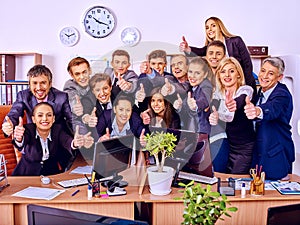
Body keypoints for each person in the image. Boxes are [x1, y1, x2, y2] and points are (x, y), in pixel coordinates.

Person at [179, 16, 257, 97]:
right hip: (224, 84)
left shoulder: (235, 41)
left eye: (213, 25)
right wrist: (187, 48)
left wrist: (245, 85)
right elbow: (200, 51)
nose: (209, 29)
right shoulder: (210, 47)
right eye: (207, 27)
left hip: (240, 83)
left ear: (220, 27)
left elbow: (247, 63)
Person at [244, 57, 295, 180]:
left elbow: (273, 108)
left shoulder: (282, 94)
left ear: (279, 77)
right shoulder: (258, 93)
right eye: (263, 71)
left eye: (271, 73)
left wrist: (257, 111)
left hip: (276, 157)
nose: (264, 76)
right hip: (259, 155)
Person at [11, 102, 93, 176]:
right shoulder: (28, 130)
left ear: (53, 119)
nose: (45, 119)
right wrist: (19, 139)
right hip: (26, 175)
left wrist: (75, 143)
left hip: (51, 175)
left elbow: (67, 141)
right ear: (33, 119)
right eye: (40, 115)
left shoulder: (57, 130)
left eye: (49, 115)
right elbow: (21, 142)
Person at [210, 57, 255, 174]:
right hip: (227, 146)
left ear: (238, 75)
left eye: (231, 71)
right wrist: (213, 117)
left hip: (244, 148)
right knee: (224, 181)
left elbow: (239, 102)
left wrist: (233, 104)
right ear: (219, 76)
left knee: (236, 181)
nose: (227, 75)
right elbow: (212, 112)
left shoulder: (245, 90)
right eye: (223, 71)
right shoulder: (217, 95)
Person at [2, 64, 73, 137]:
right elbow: (14, 114)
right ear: (29, 84)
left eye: (43, 83)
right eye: (35, 83)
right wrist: (8, 126)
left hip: (57, 139)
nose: (39, 88)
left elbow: (72, 120)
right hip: (34, 139)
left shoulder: (62, 97)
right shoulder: (23, 96)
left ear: (50, 84)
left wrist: (79, 135)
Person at [63, 57, 96, 133]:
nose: (82, 77)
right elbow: (72, 99)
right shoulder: (69, 86)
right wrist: (75, 107)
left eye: (84, 72)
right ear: (72, 75)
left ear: (90, 71)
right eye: (77, 74)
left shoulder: (95, 82)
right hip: (80, 125)